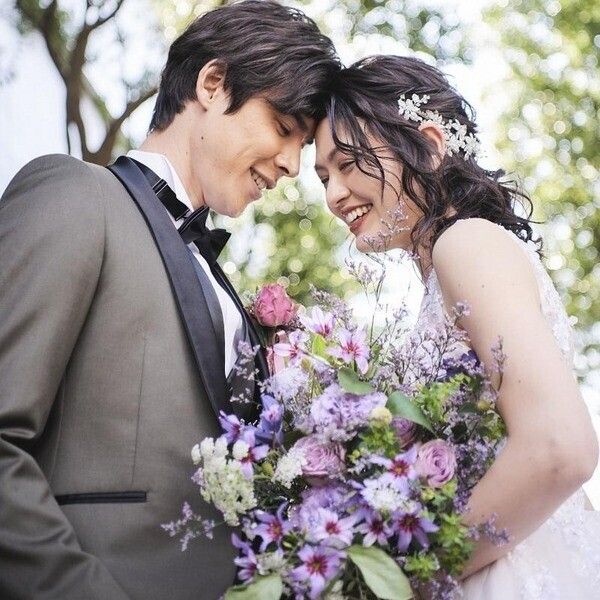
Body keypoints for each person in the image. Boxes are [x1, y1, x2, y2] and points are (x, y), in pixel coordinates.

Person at [0, 2, 339, 598]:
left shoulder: (222, 280)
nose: (292, 165)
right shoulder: (77, 194)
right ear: (213, 83)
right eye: (284, 128)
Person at [314, 55, 600, 598]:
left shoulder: (465, 243)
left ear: (428, 146)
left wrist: (404, 580)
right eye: (324, 178)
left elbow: (562, 447)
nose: (333, 195)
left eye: (348, 164)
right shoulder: (451, 269)